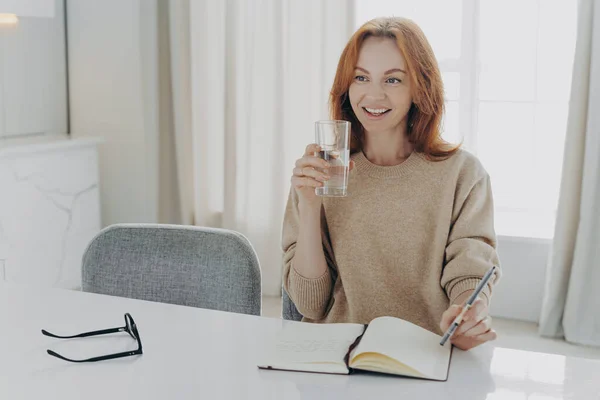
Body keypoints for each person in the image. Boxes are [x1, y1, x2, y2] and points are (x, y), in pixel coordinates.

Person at [282, 17, 502, 351]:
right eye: (361, 77)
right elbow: (309, 305)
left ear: (419, 87)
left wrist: (469, 311)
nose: (374, 94)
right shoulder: (321, 173)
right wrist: (310, 207)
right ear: (347, 86)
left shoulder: (462, 174)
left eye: (393, 80)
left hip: (423, 354)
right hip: (335, 357)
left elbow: (469, 269)